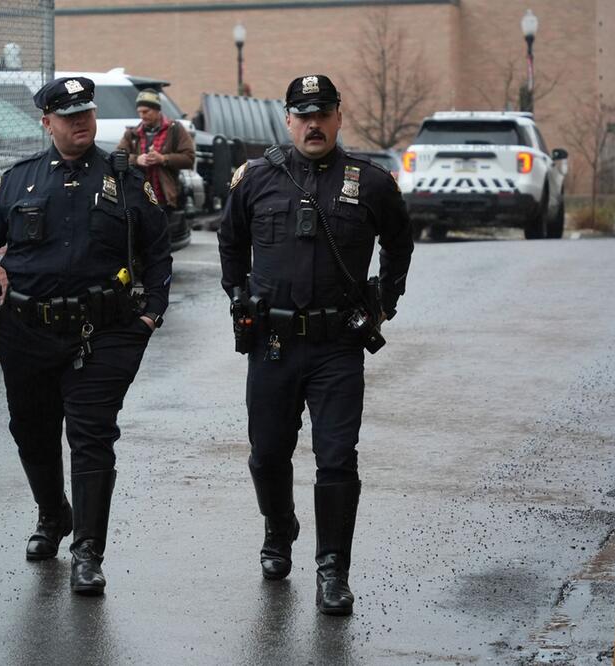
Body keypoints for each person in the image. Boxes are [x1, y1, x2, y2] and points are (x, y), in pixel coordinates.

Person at [0, 76, 171, 596]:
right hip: (28, 331)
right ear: (47, 122)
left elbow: (159, 252)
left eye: (86, 114)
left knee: (92, 436)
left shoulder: (125, 180)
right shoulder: (20, 181)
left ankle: (88, 553)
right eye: (68, 116)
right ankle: (53, 516)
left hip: (104, 333)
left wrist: (149, 318)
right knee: (31, 430)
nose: (81, 123)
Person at [217, 74, 413, 615]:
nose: (313, 124)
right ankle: (279, 529)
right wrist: (238, 295)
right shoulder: (257, 178)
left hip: (337, 348)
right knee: (267, 454)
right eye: (302, 115)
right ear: (287, 120)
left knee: (337, 458)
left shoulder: (370, 182)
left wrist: (385, 300)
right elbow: (229, 240)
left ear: (338, 117)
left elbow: (400, 241)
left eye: (322, 113)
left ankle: (333, 570)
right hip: (273, 344)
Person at [116, 88, 195, 217]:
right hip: (139, 197)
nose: (142, 115)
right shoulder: (132, 133)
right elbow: (117, 157)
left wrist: (163, 159)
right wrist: (137, 160)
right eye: (139, 112)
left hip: (167, 199)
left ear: (157, 110)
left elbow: (189, 158)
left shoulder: (175, 129)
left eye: (146, 111)